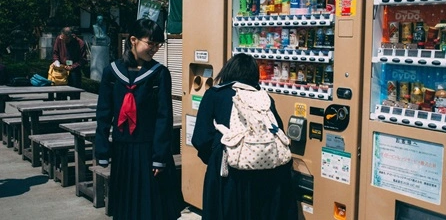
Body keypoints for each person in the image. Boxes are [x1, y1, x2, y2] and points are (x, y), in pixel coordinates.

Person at [94, 18, 183, 220]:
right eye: (150, 43)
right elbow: (103, 114)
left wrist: (159, 157)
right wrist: (102, 149)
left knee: (153, 207)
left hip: (150, 150)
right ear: (133, 40)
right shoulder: (112, 73)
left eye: (158, 44)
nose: (155, 48)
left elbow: (164, 117)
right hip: (123, 149)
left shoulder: (159, 74)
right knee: (126, 206)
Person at [192, 53, 298, 220]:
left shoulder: (214, 94)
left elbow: (200, 138)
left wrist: (215, 158)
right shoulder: (264, 96)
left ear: (228, 71)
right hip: (266, 171)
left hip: (228, 174)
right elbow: (278, 129)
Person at [52, 26, 87, 99]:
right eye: (62, 38)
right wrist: (56, 61)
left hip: (74, 70)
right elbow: (55, 53)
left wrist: (73, 66)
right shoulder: (59, 39)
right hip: (62, 70)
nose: (63, 41)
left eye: (65, 39)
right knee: (61, 95)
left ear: (70, 37)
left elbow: (83, 60)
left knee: (74, 94)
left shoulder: (80, 43)